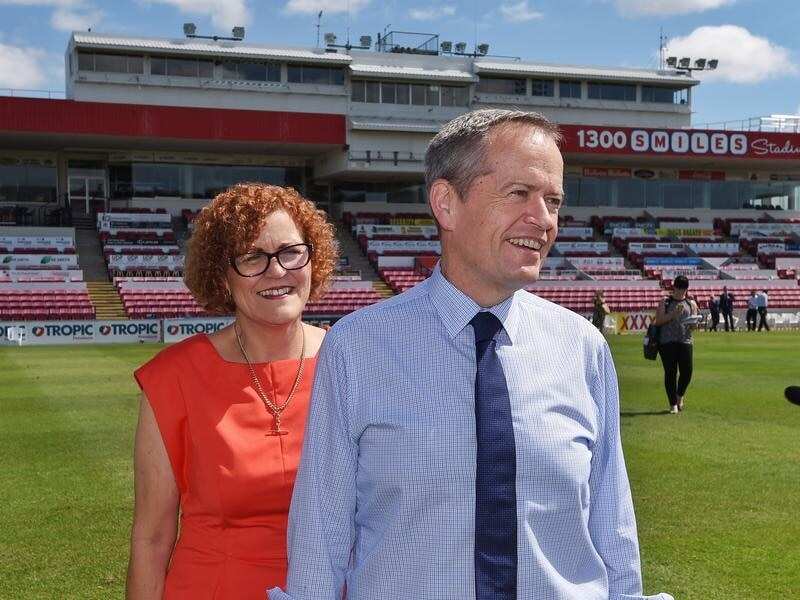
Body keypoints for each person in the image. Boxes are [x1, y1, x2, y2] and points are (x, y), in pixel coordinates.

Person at [270, 110, 672, 600]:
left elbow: (612, 524)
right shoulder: (358, 348)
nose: (543, 220)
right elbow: (321, 531)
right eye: (518, 193)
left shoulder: (582, 347)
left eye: (553, 200)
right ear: (446, 203)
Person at [126, 183, 337, 599]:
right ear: (222, 275)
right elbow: (151, 539)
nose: (277, 271)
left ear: (314, 259)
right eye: (252, 257)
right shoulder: (175, 377)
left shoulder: (351, 363)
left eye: (291, 251)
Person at [653, 275, 699, 414]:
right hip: (667, 342)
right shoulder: (665, 302)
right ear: (674, 287)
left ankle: (680, 395)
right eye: (678, 288)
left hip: (685, 340)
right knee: (671, 372)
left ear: (686, 289)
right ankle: (673, 403)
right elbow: (658, 321)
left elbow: (694, 326)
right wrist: (673, 314)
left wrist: (694, 324)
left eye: (683, 289)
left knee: (687, 371)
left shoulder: (692, 304)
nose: (680, 292)